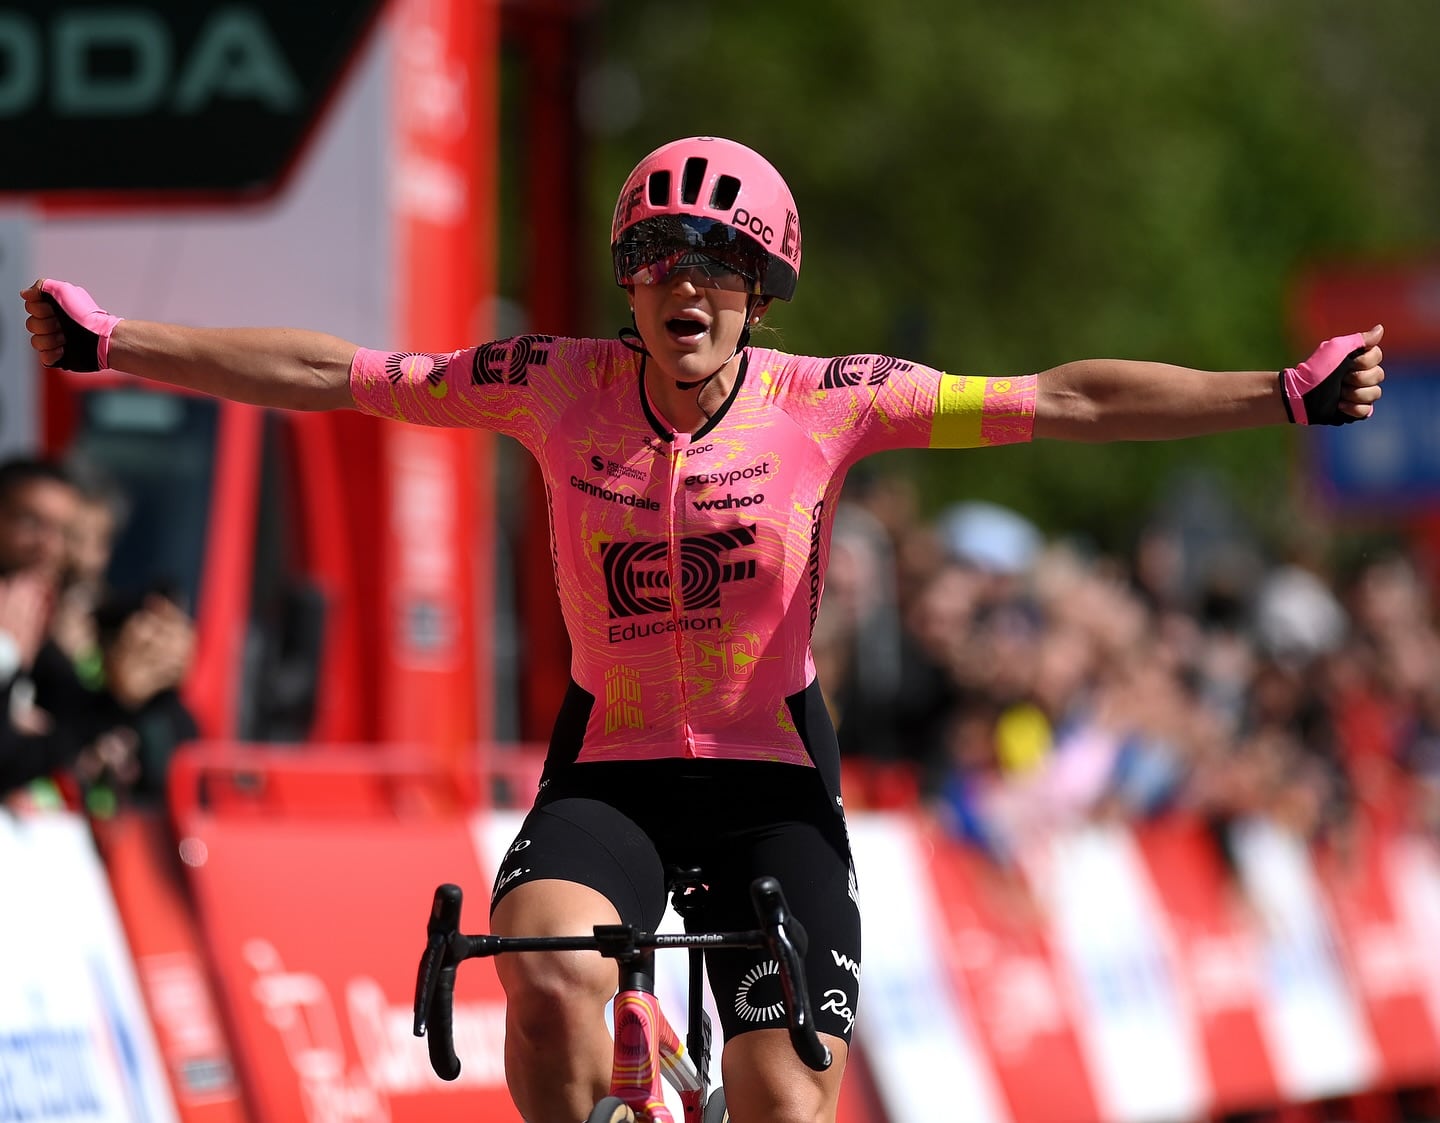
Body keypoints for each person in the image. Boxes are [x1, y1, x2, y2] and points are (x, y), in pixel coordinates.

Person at [20, 135, 1384, 1123]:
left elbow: (1071, 400)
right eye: (661, 258)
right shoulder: (550, 387)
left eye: (722, 263)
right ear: (628, 282)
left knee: (789, 1106)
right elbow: (331, 373)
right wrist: (119, 343)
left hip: (770, 787)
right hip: (611, 773)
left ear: (762, 289)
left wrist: (1279, 392)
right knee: (548, 969)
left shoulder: (835, 400)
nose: (689, 281)